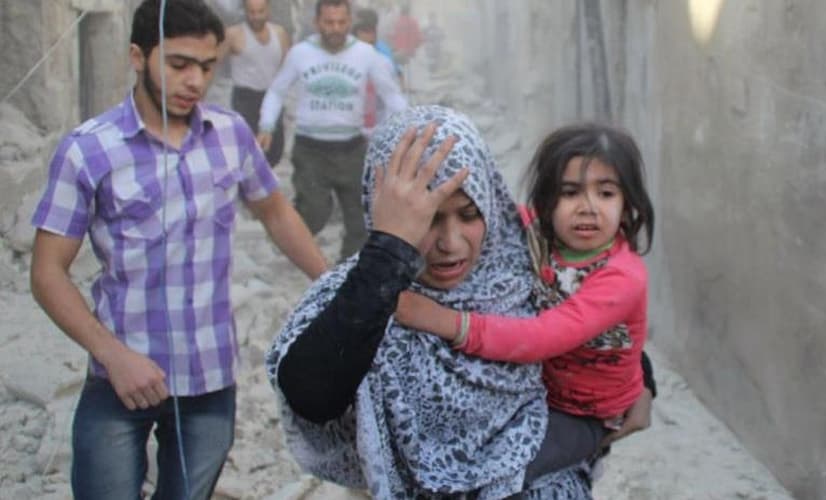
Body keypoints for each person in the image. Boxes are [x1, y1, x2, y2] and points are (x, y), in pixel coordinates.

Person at [265, 106, 654, 498]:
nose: (451, 244)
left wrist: (642, 378)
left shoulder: (515, 254)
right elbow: (311, 396)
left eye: (469, 215)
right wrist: (387, 253)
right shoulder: (363, 293)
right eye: (430, 218)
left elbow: (584, 312)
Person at [28, 1, 329, 498]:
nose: (195, 81)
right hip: (119, 378)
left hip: (210, 380)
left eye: (207, 67)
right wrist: (113, 356)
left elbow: (275, 212)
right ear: (137, 56)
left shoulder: (230, 135)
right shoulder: (88, 149)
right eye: (179, 64)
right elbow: (46, 272)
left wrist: (333, 281)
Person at [396, 123, 656, 483]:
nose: (588, 208)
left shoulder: (621, 277)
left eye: (606, 193)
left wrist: (444, 320)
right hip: (539, 390)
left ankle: (583, 459)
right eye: (570, 193)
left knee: (502, 472)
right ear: (546, 200)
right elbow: (491, 214)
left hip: (585, 412)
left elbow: (542, 337)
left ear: (628, 202)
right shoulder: (537, 232)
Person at [257, 0, 407, 260]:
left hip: (352, 148)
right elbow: (277, 90)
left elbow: (392, 95)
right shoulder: (300, 53)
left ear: (349, 22)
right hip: (310, 148)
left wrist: (406, 132)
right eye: (329, 22)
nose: (335, 29)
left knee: (360, 219)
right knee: (314, 213)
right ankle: (286, 236)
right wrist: (266, 125)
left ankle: (344, 274)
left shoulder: (365, 54)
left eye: (341, 22)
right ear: (317, 23)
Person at [223, 0, 292, 165]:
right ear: (245, 11)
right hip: (245, 98)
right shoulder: (233, 34)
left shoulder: (280, 33)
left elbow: (287, 70)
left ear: (268, 10)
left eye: (260, 11)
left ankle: (266, 186)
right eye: (251, 12)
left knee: (275, 150)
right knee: (249, 152)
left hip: (272, 97)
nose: (256, 17)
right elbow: (212, 65)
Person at [352, 7, 403, 137]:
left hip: (376, 121)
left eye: (368, 30)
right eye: (363, 30)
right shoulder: (348, 53)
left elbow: (395, 82)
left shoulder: (382, 53)